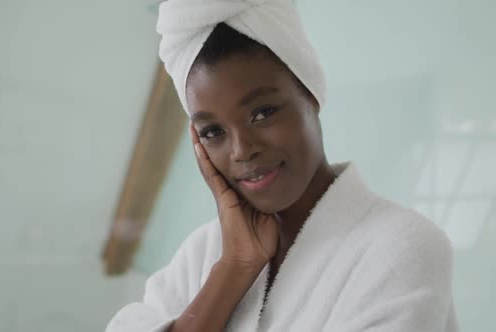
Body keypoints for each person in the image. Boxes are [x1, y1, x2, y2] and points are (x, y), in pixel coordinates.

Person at [106, 0, 458, 331]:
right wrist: (233, 269)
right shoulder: (203, 253)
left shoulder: (401, 248)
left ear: (310, 93)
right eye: (213, 131)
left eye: (263, 113)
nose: (242, 150)